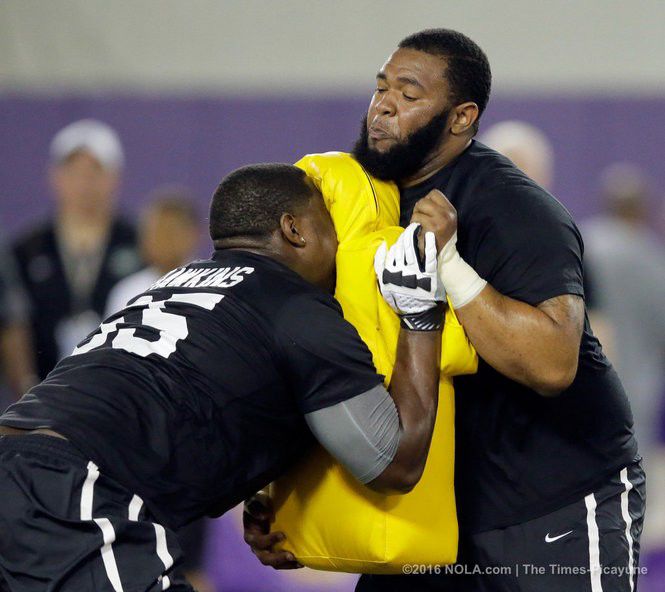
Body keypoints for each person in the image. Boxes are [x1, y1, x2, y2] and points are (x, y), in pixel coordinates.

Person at [245, 29, 644, 592]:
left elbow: (554, 364)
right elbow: (323, 358)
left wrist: (451, 266)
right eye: (381, 88)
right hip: (431, 511)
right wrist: (276, 489)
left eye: (409, 96)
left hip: (552, 500)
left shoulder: (513, 208)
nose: (384, 105)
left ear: (461, 118)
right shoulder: (354, 201)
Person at [0, 163, 450, 591]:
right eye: (331, 226)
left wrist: (255, 488)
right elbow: (396, 462)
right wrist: (420, 312)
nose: (342, 244)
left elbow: (183, 390)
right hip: (74, 491)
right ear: (295, 229)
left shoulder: (172, 282)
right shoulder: (296, 306)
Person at [11, 119, 141, 381]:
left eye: (95, 171)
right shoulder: (27, 249)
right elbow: (13, 325)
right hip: (41, 393)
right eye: (74, 171)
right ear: (55, 177)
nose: (84, 183)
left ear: (114, 178)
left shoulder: (139, 243)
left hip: (119, 391)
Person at [105, 188, 200, 316]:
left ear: (192, 235)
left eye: (170, 232)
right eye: (155, 232)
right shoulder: (127, 292)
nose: (162, 240)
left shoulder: (212, 289)